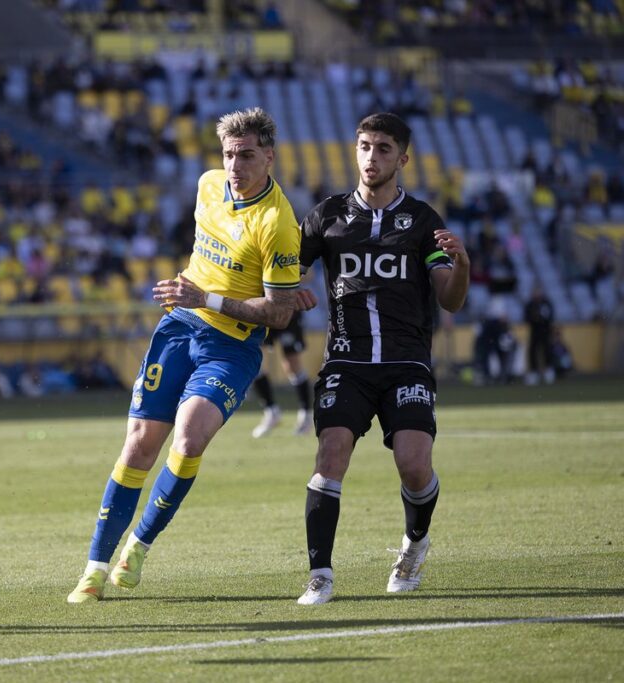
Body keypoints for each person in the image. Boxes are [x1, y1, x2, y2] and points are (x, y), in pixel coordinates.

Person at [66, 107, 301, 603]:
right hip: (178, 329)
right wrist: (192, 300)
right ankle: (92, 569)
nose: (236, 165)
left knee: (190, 439)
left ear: (270, 157)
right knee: (138, 447)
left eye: (248, 155)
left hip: (231, 345)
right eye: (229, 154)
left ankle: (140, 545)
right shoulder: (207, 184)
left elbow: (280, 314)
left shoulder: (277, 222)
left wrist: (208, 299)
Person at [293, 112, 469, 605]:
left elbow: (451, 300)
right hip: (346, 362)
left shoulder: (422, 222)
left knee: (415, 466)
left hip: (405, 362)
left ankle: (414, 544)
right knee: (330, 455)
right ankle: (320, 576)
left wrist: (464, 266)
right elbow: (287, 275)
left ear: (403, 158)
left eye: (384, 148)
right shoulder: (325, 216)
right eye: (365, 146)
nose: (372, 157)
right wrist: (289, 295)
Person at [250, 309, 313, 438]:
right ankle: (272, 412)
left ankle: (306, 416)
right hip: (263, 310)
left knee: (292, 364)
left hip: (288, 310)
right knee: (254, 362)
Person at [524, 283, 555, 385]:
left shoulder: (546, 303)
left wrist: (540, 319)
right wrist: (536, 319)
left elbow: (550, 317)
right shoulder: (530, 304)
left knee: (547, 350)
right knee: (533, 351)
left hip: (545, 331)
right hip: (535, 331)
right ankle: (534, 372)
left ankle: (548, 371)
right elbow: (527, 318)